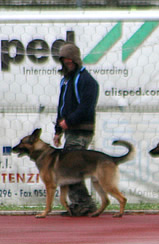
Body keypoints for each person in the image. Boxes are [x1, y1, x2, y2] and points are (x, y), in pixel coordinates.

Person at [54, 42, 99, 216]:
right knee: (69, 168)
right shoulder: (65, 81)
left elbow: (87, 106)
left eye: (69, 60)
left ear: (76, 59)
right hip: (70, 130)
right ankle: (79, 204)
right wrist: (58, 130)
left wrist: (69, 121)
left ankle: (85, 204)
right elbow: (61, 107)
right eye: (64, 60)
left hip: (82, 130)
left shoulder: (87, 80)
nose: (67, 63)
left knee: (70, 168)